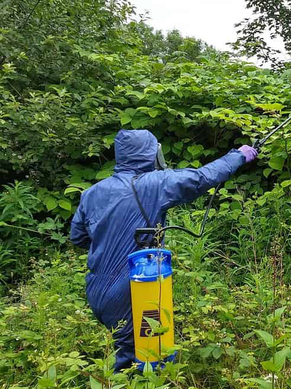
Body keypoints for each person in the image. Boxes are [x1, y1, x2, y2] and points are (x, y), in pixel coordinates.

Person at [70, 129, 257, 371]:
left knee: (126, 346)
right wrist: (239, 156)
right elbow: (201, 178)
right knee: (147, 358)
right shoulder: (155, 184)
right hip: (133, 287)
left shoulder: (92, 192)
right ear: (152, 154)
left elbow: (78, 238)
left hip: (96, 290)